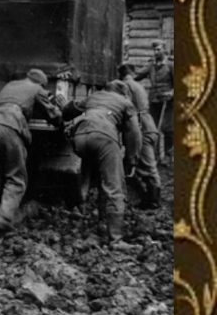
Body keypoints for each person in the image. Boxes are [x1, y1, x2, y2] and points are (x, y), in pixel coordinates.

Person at [0, 69, 62, 230]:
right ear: (41, 83)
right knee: (16, 177)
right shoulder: (37, 89)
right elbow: (52, 114)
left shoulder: (10, 85)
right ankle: (4, 218)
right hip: (10, 125)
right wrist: (61, 120)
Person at [60, 80, 142, 243]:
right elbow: (133, 133)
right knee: (114, 186)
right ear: (124, 94)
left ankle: (100, 222)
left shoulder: (94, 96)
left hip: (80, 138)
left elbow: (68, 112)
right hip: (104, 137)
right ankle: (116, 239)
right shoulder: (126, 102)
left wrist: (64, 105)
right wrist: (132, 159)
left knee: (100, 176)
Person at [118, 62, 162, 209]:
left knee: (147, 165)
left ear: (121, 75)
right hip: (147, 123)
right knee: (131, 164)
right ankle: (144, 199)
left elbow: (126, 107)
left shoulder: (126, 86)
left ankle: (153, 201)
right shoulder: (138, 85)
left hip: (140, 127)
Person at [135, 40, 173, 164]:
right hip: (154, 100)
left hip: (168, 102)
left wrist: (171, 93)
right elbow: (138, 75)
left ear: (164, 50)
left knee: (168, 129)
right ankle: (153, 156)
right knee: (152, 128)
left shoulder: (171, 64)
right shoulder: (151, 65)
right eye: (154, 50)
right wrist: (127, 76)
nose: (156, 52)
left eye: (158, 49)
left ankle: (168, 156)